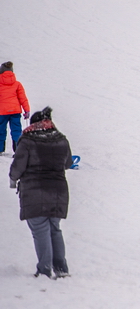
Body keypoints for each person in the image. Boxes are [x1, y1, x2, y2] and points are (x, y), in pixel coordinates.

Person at [9, 108, 74, 279]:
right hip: (58, 191)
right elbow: (68, 163)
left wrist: (13, 179)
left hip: (34, 190)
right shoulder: (62, 140)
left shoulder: (28, 140)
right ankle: (61, 269)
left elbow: (18, 165)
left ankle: (44, 270)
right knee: (55, 229)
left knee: (40, 230)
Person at [0, 61, 30, 155]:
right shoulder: (17, 84)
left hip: (2, 112)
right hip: (15, 111)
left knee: (1, 130)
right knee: (16, 130)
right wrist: (27, 110)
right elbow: (23, 98)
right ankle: (18, 149)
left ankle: (0, 149)